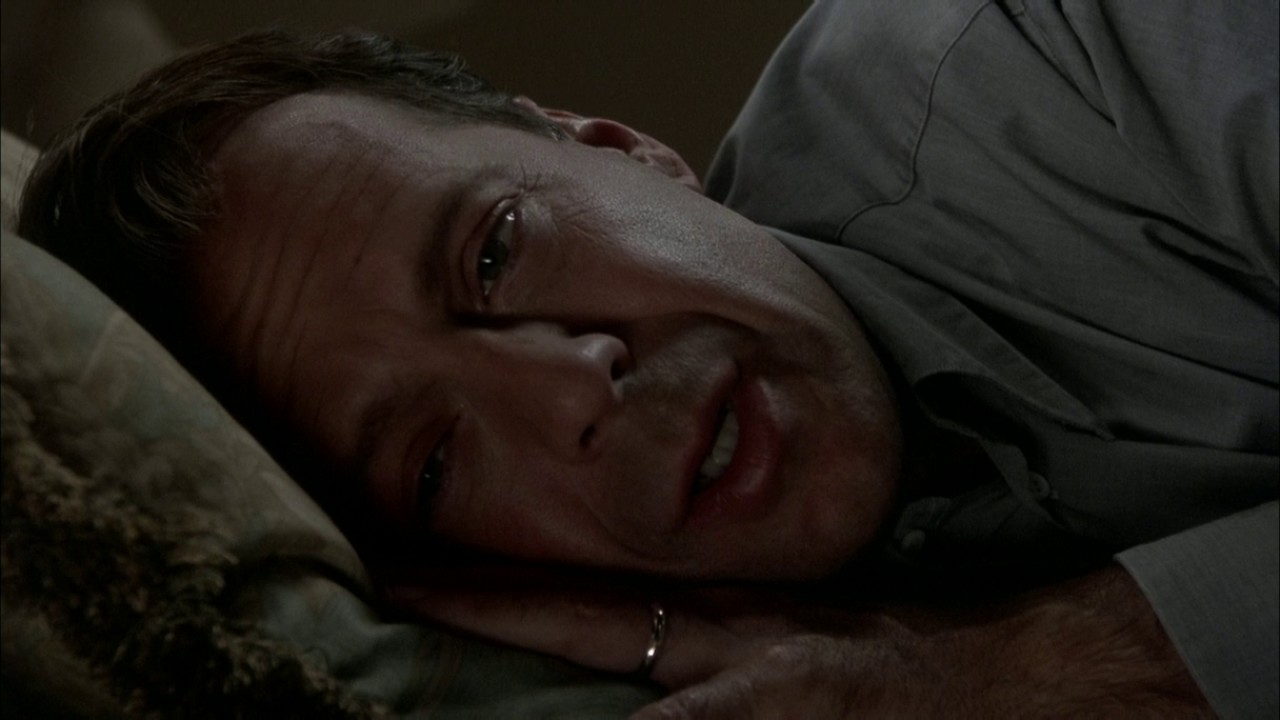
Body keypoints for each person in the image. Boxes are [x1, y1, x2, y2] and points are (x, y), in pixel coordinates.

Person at [16, 0, 1276, 716]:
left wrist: (1007, 671)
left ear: (616, 148)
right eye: (436, 461)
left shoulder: (1059, 42)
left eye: (496, 251)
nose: (569, 385)